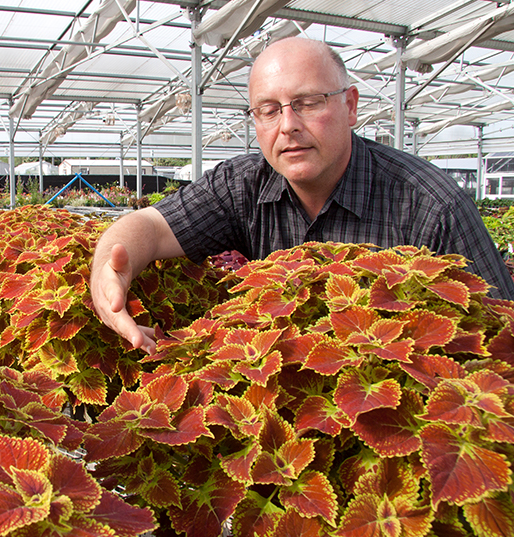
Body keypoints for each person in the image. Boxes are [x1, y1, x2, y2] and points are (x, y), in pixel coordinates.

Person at [90, 37, 514, 354]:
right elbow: (147, 225)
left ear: (350, 105)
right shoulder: (243, 185)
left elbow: (500, 339)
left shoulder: (431, 205)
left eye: (308, 102)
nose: (287, 124)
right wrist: (110, 271)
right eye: (269, 110)